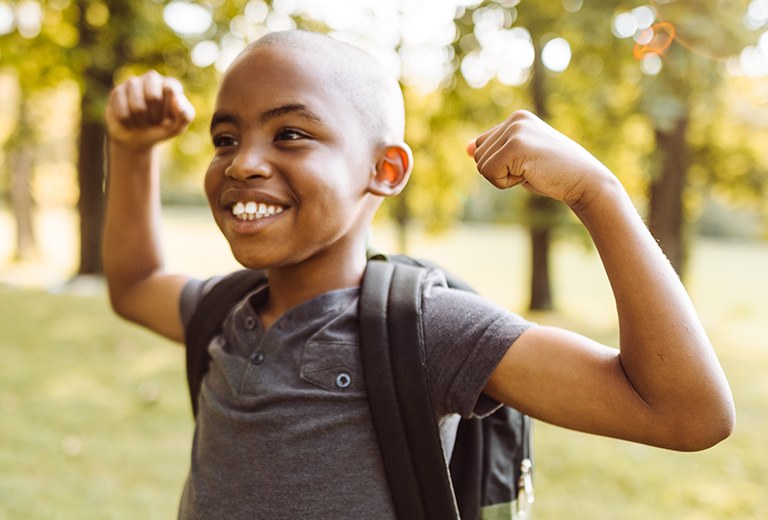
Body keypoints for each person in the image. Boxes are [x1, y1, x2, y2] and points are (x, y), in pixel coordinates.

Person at [103, 29, 734, 519]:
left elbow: (686, 413)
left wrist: (597, 192)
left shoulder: (428, 329)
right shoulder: (227, 312)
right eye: (224, 138)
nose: (243, 163)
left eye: (290, 133)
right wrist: (132, 151)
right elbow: (134, 285)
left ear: (385, 169)